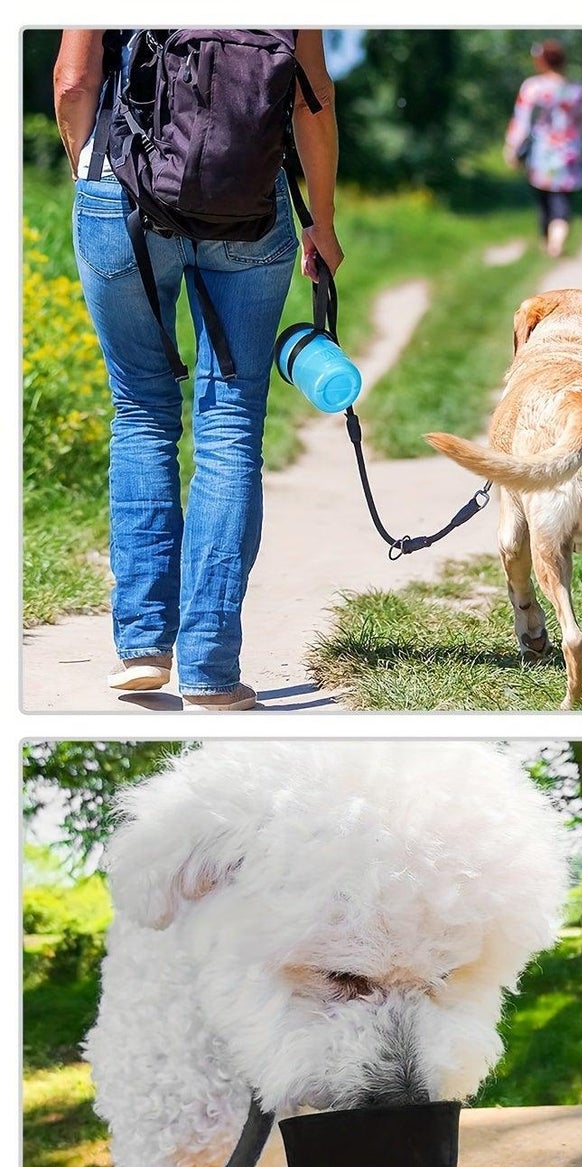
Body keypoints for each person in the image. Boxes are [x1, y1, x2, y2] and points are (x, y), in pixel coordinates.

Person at [53, 29, 342, 711]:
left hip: (118, 192)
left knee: (142, 414)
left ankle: (144, 646)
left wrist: (88, 169)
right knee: (231, 425)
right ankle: (212, 665)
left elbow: (72, 81)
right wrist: (321, 221)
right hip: (250, 200)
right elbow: (314, 98)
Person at [505, 39, 582, 260]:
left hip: (541, 155)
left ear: (542, 61)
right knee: (562, 202)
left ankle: (549, 241)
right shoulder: (577, 91)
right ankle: (556, 241)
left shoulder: (533, 87)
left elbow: (521, 122)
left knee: (543, 200)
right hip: (569, 153)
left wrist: (512, 148)